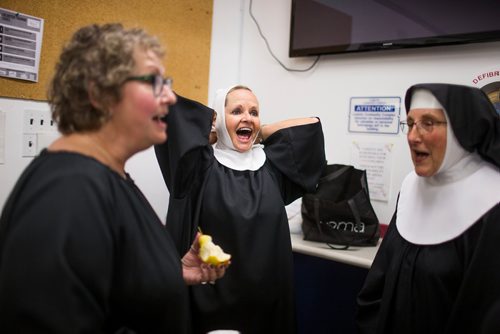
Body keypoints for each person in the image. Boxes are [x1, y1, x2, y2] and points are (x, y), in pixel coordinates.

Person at [0, 23, 227, 333]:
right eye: (153, 82)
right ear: (99, 93)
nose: (171, 99)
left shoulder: (108, 176)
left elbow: (111, 284)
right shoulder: (68, 193)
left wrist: (171, 272)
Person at [154, 85, 326, 333]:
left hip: (267, 305)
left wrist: (261, 131)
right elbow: (168, 110)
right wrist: (213, 130)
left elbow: (311, 126)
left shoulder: (272, 168)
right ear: (220, 119)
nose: (247, 117)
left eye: (254, 112)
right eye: (236, 111)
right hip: (210, 305)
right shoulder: (197, 169)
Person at [356, 83, 500, 334]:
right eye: (410, 124)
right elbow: (379, 284)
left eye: (429, 123)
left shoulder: (492, 205)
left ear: (462, 128)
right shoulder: (412, 188)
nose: (413, 136)